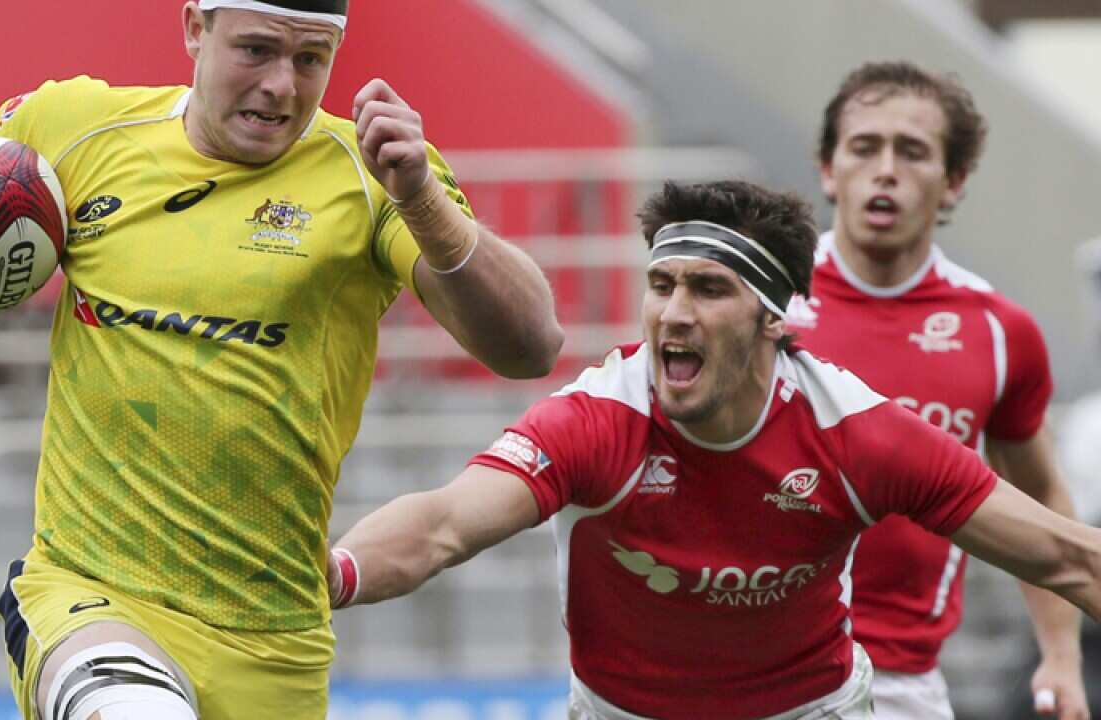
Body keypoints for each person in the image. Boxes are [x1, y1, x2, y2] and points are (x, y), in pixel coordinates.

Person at [0, 2, 564, 719]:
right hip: (90, 595)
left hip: (271, 640)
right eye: (256, 50)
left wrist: (425, 202)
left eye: (310, 59)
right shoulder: (82, 124)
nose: (282, 84)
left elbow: (531, 345)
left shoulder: (373, 177)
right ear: (194, 28)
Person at [326, 179, 1101, 720]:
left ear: (775, 321)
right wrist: (335, 574)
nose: (674, 313)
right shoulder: (601, 417)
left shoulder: (856, 431)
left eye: (709, 288)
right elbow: (443, 525)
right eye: (662, 285)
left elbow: (1069, 558)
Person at [791, 61, 1087, 720]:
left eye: (913, 151)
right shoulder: (762, 307)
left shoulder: (999, 331)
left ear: (953, 183)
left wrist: (1061, 657)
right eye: (865, 147)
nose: (886, 169)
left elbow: (1038, 496)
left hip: (903, 685)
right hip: (759, 673)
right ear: (828, 170)